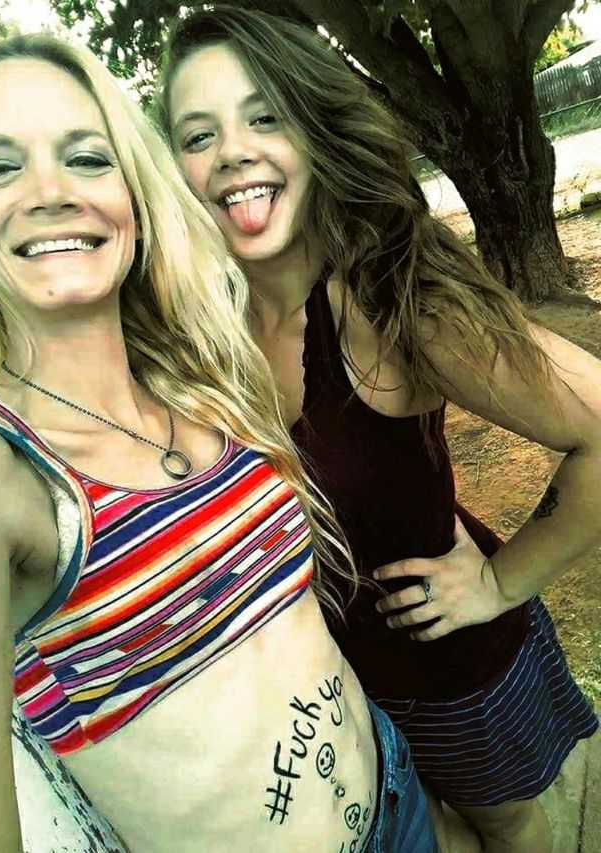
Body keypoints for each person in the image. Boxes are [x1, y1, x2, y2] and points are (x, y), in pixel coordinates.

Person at [0, 31, 442, 853]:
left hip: (397, 797)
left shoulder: (207, 379)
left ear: (134, 198)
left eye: (87, 158)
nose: (50, 191)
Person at [160, 6, 601, 852]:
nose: (233, 152)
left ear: (313, 127)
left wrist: (500, 582)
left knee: (504, 825)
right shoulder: (209, 328)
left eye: (264, 116)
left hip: (452, 674)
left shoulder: (392, 297)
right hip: (332, 685)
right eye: (198, 135)